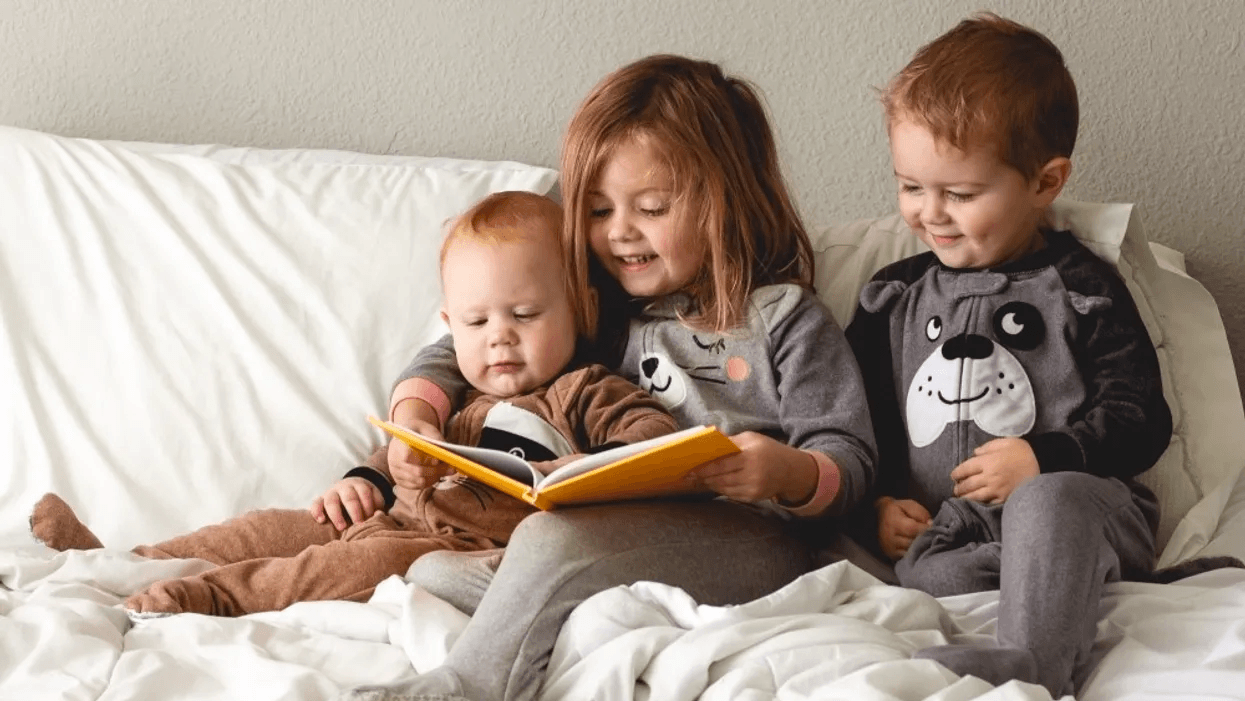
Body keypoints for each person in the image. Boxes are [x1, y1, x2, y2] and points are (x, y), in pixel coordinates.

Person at [346, 54, 877, 701]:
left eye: (650, 207)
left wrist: (787, 472)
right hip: (622, 533)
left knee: (545, 542)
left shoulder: (786, 319)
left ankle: (466, 683)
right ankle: (544, 592)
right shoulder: (601, 309)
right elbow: (450, 348)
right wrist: (415, 415)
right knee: (431, 567)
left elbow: (848, 455)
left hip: (759, 539)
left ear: (723, 199)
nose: (620, 233)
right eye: (597, 211)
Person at [27, 190, 678, 617]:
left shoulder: (584, 389)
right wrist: (363, 481)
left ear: (582, 309)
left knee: (349, 567)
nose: (499, 335)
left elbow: (650, 435)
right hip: (384, 510)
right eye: (476, 322)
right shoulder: (451, 395)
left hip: (452, 547)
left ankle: (207, 597)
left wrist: (594, 473)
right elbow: (392, 451)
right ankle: (114, 561)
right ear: (450, 324)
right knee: (264, 529)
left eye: (525, 313)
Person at [844, 14, 1171, 696]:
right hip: (959, 532)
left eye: (959, 194)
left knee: (1045, 504)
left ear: (1044, 183)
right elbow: (860, 425)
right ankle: (1048, 594)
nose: (929, 213)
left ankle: (1035, 665)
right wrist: (876, 502)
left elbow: (1140, 416)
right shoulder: (891, 298)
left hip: (1081, 503)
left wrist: (1042, 458)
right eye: (910, 187)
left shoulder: (1079, 287)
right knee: (928, 577)